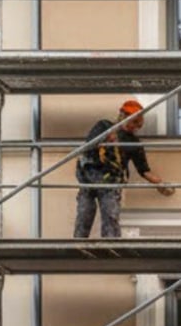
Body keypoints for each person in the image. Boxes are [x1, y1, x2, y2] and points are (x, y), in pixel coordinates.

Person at [74, 99, 174, 239]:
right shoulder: (104, 126)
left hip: (111, 182)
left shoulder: (133, 142)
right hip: (89, 177)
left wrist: (160, 184)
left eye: (139, 124)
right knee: (85, 213)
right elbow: (88, 146)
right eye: (134, 122)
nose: (136, 127)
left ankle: (111, 248)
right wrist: (107, 137)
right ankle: (79, 246)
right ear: (123, 116)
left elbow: (144, 170)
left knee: (110, 216)